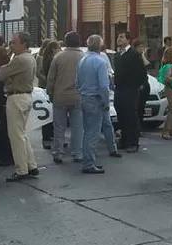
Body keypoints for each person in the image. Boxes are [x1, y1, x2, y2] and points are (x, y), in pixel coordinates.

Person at [0, 32, 40, 182]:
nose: (11, 45)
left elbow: (0, 75)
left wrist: (6, 60)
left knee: (16, 135)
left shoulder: (20, 59)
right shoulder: (30, 58)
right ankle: (31, 164)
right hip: (25, 96)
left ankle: (21, 169)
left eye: (14, 42)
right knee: (22, 133)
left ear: (23, 44)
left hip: (16, 97)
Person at [48, 32, 84, 164]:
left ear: (65, 42)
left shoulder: (58, 57)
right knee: (77, 127)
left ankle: (58, 153)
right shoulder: (83, 57)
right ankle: (77, 153)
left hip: (60, 96)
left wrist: (50, 93)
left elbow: (51, 78)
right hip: (78, 96)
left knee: (59, 127)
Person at [76, 34, 109, 174]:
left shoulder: (82, 60)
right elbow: (103, 85)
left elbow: (77, 81)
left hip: (83, 96)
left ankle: (89, 159)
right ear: (100, 46)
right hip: (94, 98)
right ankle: (89, 163)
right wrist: (106, 101)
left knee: (87, 130)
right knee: (93, 132)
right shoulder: (100, 62)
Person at [113, 32, 148, 152]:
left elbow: (142, 73)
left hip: (130, 89)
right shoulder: (117, 55)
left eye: (121, 37)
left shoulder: (133, 54)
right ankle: (124, 139)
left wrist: (136, 86)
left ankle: (133, 142)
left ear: (128, 40)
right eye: (118, 37)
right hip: (119, 89)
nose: (119, 39)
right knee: (121, 115)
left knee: (131, 115)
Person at [36, 40, 60, 150]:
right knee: (48, 112)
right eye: (58, 48)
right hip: (45, 87)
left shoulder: (55, 58)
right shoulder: (43, 58)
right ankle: (47, 137)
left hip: (52, 87)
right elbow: (39, 72)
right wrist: (47, 82)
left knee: (53, 113)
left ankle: (52, 136)